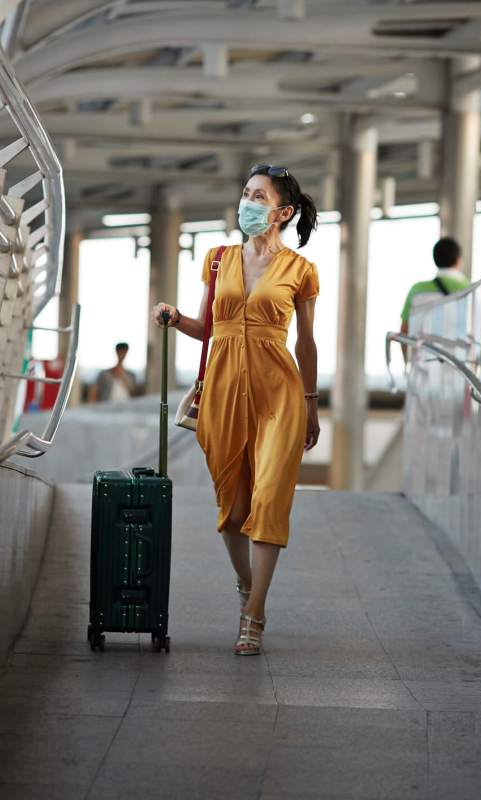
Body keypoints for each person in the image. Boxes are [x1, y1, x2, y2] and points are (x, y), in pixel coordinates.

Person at [152, 163, 320, 656]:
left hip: (280, 394)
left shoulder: (300, 271)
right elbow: (207, 327)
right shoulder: (217, 259)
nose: (246, 202)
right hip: (223, 390)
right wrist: (174, 316)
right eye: (245, 193)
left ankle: (254, 614)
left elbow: (306, 345)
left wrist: (311, 405)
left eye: (258, 196)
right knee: (232, 509)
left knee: (269, 499)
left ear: (282, 212)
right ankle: (247, 585)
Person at [399, 237, 471, 360]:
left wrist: (407, 362)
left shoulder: (417, 290)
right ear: (458, 260)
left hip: (423, 364)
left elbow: (404, 330)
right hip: (460, 364)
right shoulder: (471, 289)